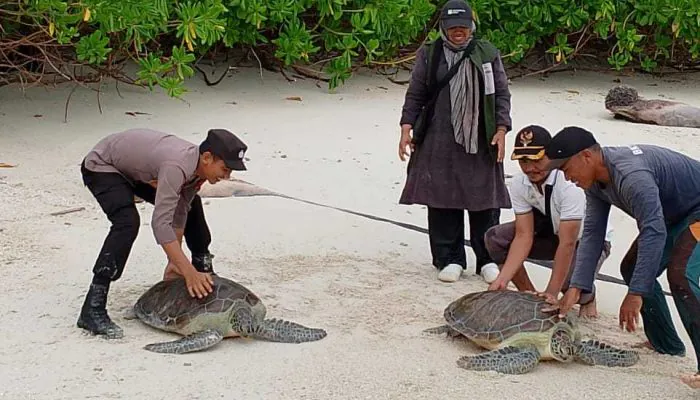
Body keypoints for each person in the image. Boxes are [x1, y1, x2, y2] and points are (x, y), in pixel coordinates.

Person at [542, 126, 700, 389]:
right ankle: (666, 343)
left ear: (586, 157)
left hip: (695, 210)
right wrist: (576, 287)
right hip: (674, 215)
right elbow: (593, 233)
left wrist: (636, 293)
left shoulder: (632, 176)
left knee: (680, 274)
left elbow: (653, 230)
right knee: (632, 267)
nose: (566, 178)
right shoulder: (595, 183)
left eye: (566, 168)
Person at [77, 128, 248, 339]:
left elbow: (179, 211)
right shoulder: (177, 167)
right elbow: (160, 223)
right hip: (103, 166)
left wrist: (175, 262)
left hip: (134, 170)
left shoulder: (197, 170)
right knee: (127, 222)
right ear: (206, 158)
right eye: (224, 169)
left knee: (191, 205)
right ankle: (93, 307)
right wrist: (186, 271)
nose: (226, 177)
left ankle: (204, 270)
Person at [397, 0, 512, 283]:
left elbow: (501, 95)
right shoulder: (430, 54)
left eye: (463, 26)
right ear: (443, 28)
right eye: (452, 27)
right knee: (441, 197)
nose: (458, 31)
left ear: (472, 26)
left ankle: (487, 259)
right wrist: (405, 129)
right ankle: (449, 258)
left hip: (480, 137)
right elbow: (416, 94)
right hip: (439, 137)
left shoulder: (487, 53)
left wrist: (501, 129)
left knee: (484, 199)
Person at [484, 125, 613, 318]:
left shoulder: (569, 182)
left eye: (536, 159)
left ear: (551, 157)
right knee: (496, 238)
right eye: (523, 160)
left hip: (587, 240)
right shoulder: (520, 182)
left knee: (569, 283)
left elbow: (568, 243)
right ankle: (530, 297)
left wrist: (552, 291)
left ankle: (588, 296)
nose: (529, 167)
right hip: (554, 233)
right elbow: (523, 234)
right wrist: (502, 280)